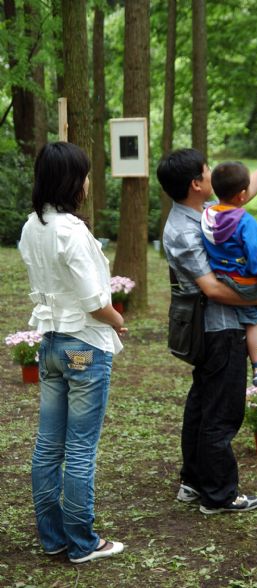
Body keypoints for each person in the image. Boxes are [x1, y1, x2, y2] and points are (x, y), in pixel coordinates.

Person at [157, 140, 257, 515]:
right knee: (221, 412)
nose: (209, 172)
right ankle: (218, 495)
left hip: (218, 325)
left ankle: (192, 481)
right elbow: (213, 288)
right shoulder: (182, 231)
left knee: (202, 405)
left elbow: (240, 196)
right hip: (217, 329)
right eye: (205, 171)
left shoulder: (203, 211)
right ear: (195, 184)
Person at [19, 142, 126, 564]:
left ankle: (53, 537)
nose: (87, 183)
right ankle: (83, 542)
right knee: (80, 449)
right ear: (71, 181)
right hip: (84, 344)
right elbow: (95, 303)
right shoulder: (72, 231)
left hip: (50, 345)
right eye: (84, 175)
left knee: (48, 447)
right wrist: (118, 320)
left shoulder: (32, 226)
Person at [201, 161, 257, 391]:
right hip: (246, 282)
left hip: (223, 278)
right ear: (243, 194)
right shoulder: (246, 222)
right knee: (254, 321)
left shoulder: (208, 215)